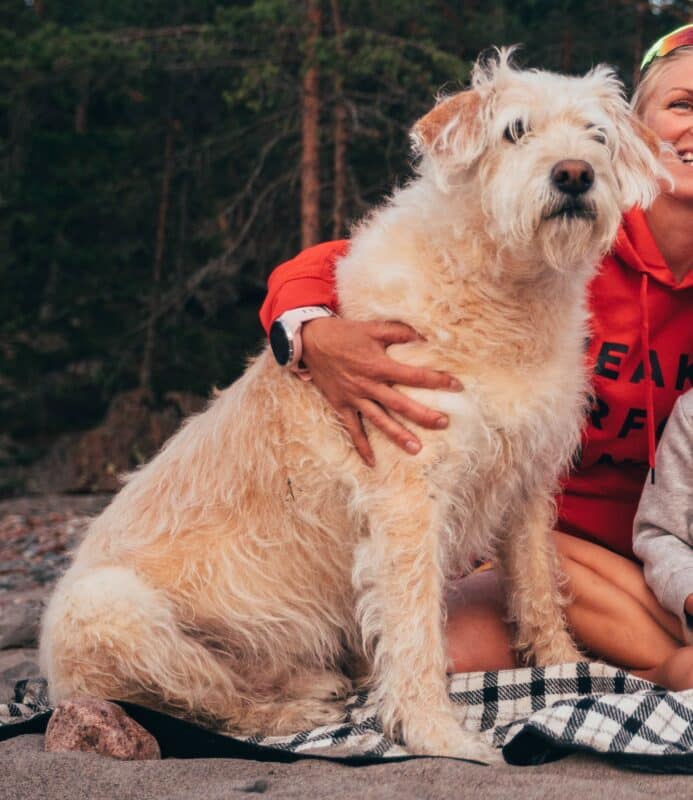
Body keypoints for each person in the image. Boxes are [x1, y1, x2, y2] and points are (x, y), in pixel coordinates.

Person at [259, 25, 693, 688]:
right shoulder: (559, 230)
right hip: (547, 546)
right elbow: (330, 263)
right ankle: (662, 672)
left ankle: (653, 670)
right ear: (630, 131)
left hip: (669, 552)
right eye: (681, 105)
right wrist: (313, 333)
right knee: (454, 651)